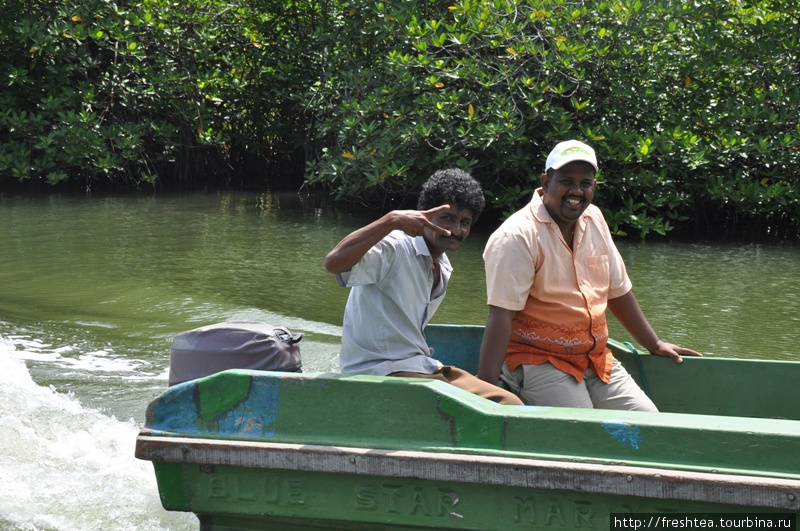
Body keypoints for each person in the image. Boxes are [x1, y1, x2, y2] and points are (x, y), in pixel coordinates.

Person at [477, 140, 701, 411]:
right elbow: (500, 316)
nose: (576, 191)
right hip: (537, 358)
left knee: (647, 419)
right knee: (582, 427)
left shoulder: (594, 219)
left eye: (586, 183)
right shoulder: (516, 236)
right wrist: (484, 393)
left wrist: (653, 343)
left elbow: (617, 291)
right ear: (546, 183)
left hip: (595, 357)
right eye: (567, 181)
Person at [325, 169, 524, 406]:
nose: (457, 230)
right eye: (448, 219)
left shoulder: (443, 265)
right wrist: (391, 220)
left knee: (509, 403)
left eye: (465, 222)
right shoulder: (395, 248)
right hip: (378, 371)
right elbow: (333, 262)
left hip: (419, 365)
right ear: (425, 216)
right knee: (496, 407)